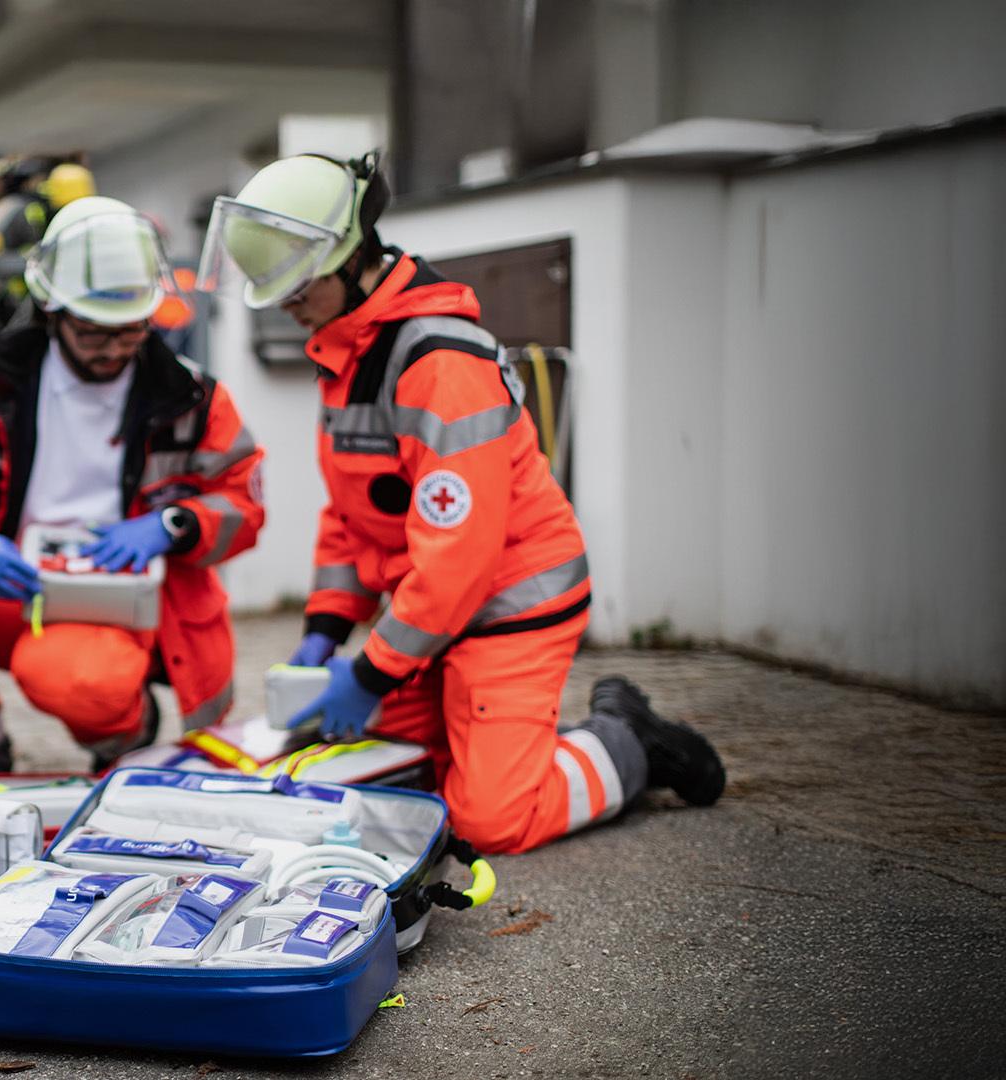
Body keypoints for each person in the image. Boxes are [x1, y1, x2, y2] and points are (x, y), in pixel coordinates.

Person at [199, 151, 725, 855]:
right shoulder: (349, 352)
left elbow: (461, 558)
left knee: (488, 819)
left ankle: (628, 738)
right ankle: (509, 745)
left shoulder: (439, 366)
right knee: (394, 776)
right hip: (436, 613)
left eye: (298, 287)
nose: (287, 306)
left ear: (351, 257)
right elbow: (353, 515)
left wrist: (371, 670)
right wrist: (326, 628)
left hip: (510, 606)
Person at [0, 196, 265, 771]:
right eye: (94, 333)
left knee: (75, 680)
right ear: (53, 312)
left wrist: (172, 525)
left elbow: (242, 499)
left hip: (119, 600)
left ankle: (127, 736)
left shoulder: (191, 397)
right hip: (14, 581)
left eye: (130, 332)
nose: (114, 350)